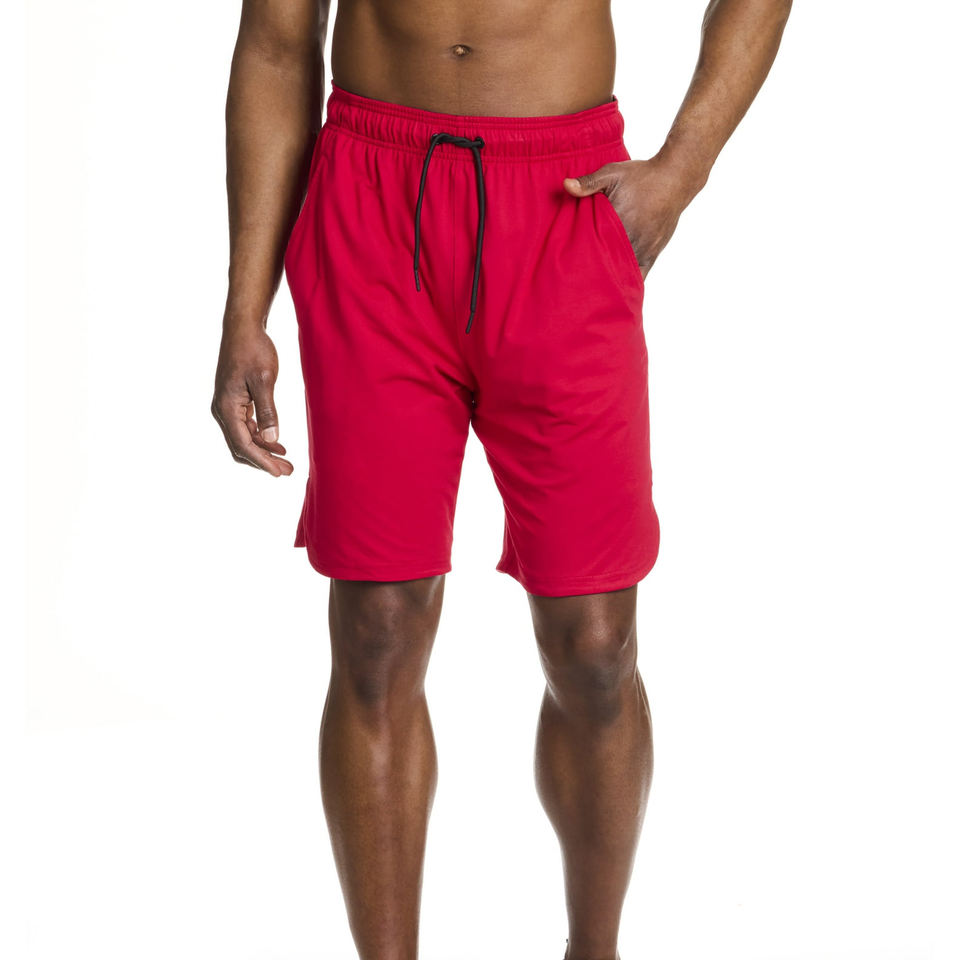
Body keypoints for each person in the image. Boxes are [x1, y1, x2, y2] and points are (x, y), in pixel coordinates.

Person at [211, 1, 792, 957]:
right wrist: (246, 307)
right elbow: (277, 45)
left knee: (595, 642)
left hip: (561, 198)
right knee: (376, 628)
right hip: (371, 199)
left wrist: (681, 170)